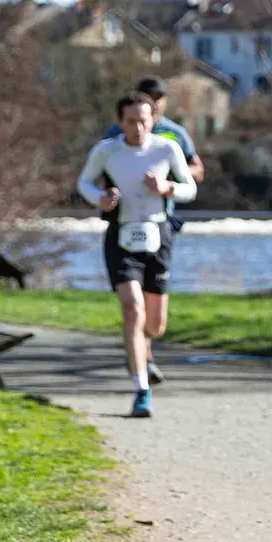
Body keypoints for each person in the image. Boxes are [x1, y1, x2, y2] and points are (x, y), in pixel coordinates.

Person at [77, 92, 199, 419]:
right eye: (131, 121)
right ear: (120, 122)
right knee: (132, 309)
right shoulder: (107, 151)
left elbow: (191, 188)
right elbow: (84, 183)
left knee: (155, 325)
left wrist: (167, 188)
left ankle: (141, 348)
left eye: (143, 121)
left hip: (158, 235)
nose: (138, 127)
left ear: (152, 120)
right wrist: (100, 198)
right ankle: (141, 389)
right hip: (121, 235)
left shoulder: (166, 148)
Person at [100, 75, 206, 384]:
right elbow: (99, 169)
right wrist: (106, 195)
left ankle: (142, 344)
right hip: (123, 221)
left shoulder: (174, 134)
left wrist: (170, 182)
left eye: (160, 97)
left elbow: (197, 169)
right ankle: (141, 357)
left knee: (155, 315)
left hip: (162, 219)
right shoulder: (115, 134)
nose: (155, 103)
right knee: (134, 306)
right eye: (149, 96)